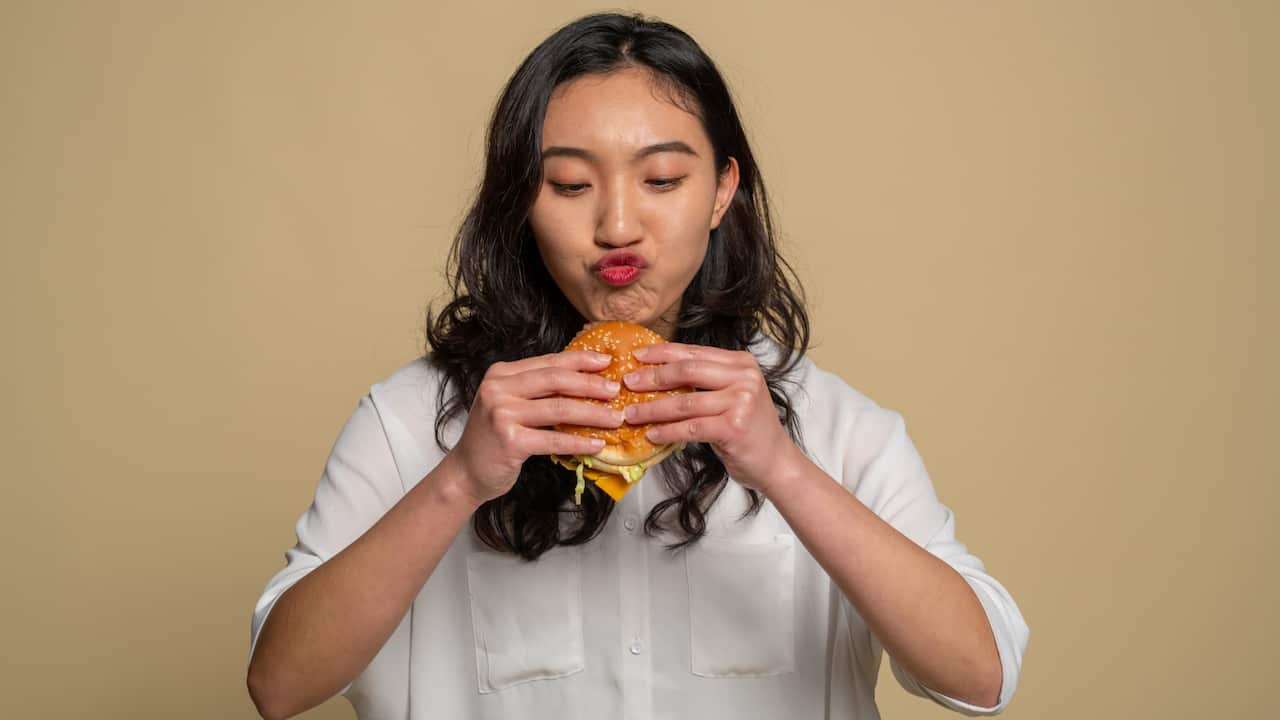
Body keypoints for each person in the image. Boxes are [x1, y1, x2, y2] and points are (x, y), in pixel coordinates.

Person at [246, 12, 1029, 720]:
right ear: (523, 201)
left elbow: (980, 676)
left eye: (661, 180)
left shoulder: (834, 424)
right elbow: (278, 685)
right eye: (569, 184)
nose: (618, 225)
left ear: (723, 189)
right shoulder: (412, 420)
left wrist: (782, 468)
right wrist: (460, 478)